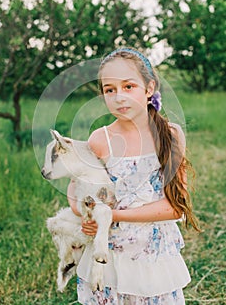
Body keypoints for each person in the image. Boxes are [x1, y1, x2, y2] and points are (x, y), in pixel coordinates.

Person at [67, 47, 200, 304]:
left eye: (129, 87)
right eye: (110, 90)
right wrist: (85, 215)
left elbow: (174, 207)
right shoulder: (99, 140)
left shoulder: (169, 135)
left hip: (152, 257)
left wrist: (113, 215)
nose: (119, 97)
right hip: (109, 257)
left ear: (149, 89)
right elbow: (75, 192)